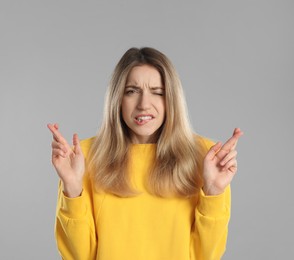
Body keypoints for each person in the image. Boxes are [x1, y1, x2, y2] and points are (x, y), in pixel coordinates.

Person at [47, 47, 243, 260]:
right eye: (132, 91)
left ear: (171, 100)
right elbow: (79, 256)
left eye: (157, 92)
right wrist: (73, 189)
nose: (144, 104)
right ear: (117, 99)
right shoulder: (82, 157)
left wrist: (213, 192)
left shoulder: (205, 157)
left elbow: (205, 255)